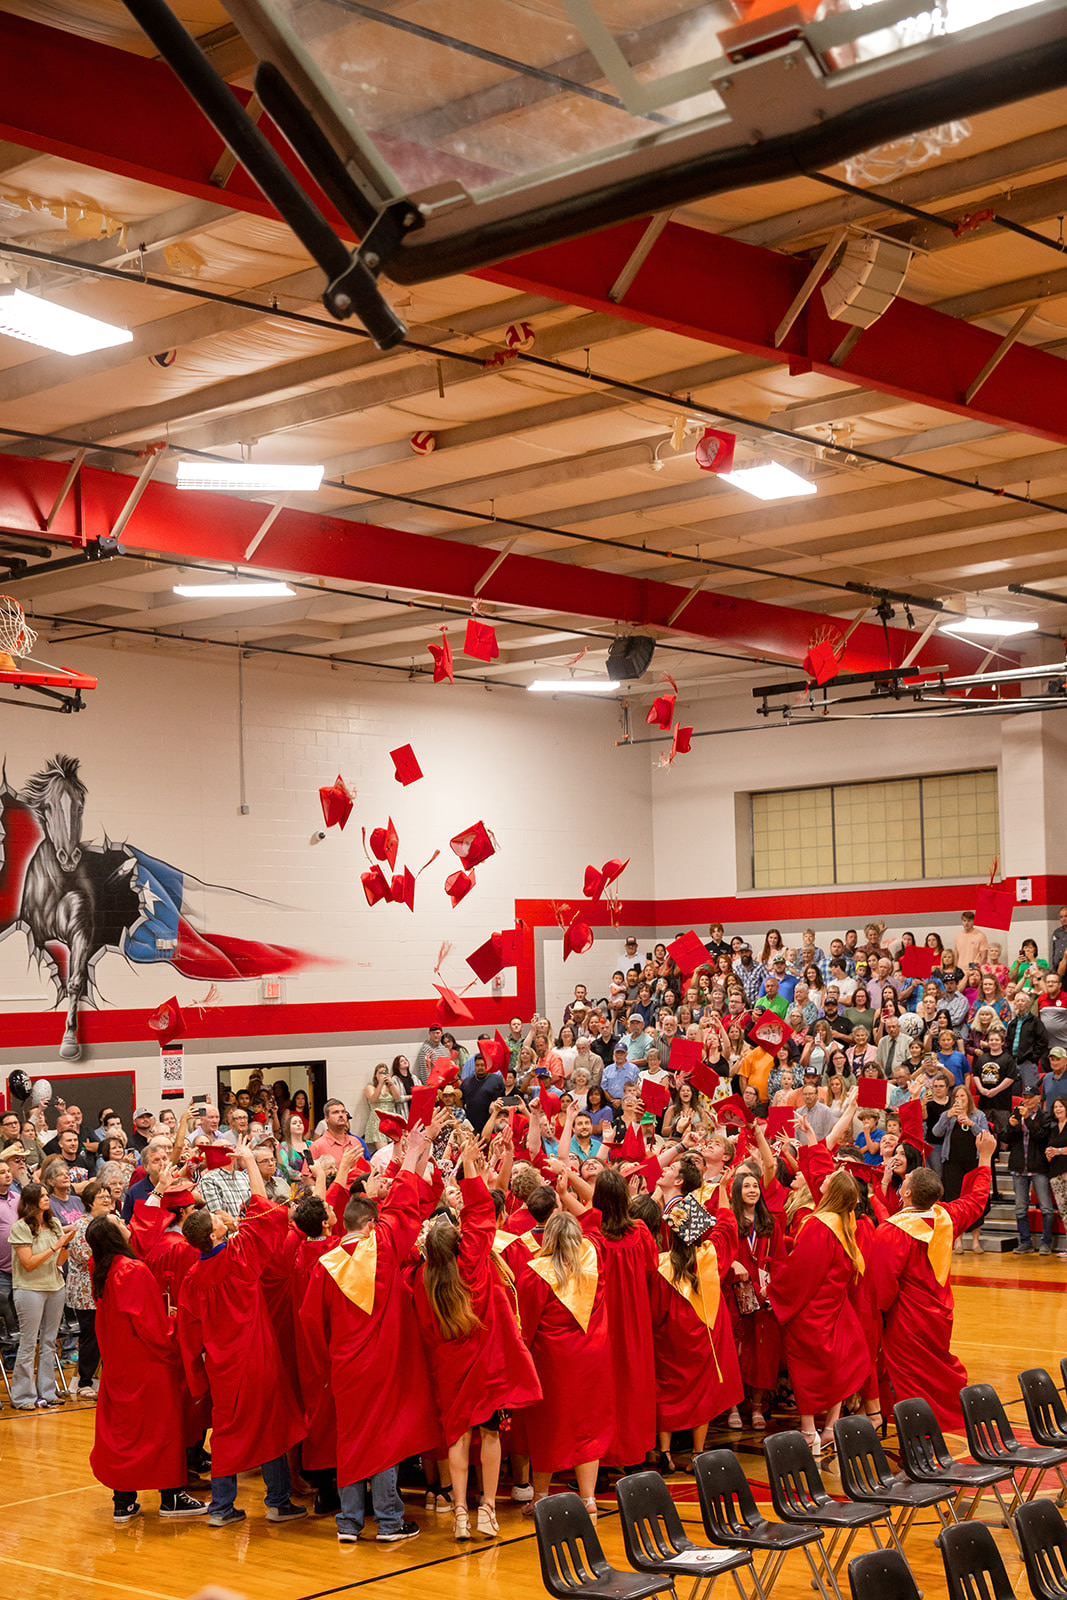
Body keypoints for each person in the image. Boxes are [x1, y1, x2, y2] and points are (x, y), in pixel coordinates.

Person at [300, 1123, 438, 1546]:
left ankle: (349, 1523)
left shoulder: (326, 1262)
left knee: (351, 1438)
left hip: (345, 1364)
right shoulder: (386, 1244)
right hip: (386, 1361)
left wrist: (326, 1360)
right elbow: (405, 1206)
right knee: (386, 1438)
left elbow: (309, 1320)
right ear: (374, 1222)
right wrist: (412, 1152)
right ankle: (391, 1522)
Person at [414, 1137, 541, 1539]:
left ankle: (460, 1514)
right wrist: (472, 1168)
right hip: (485, 1367)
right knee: (489, 1435)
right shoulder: (472, 1266)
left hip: (451, 1368)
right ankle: (487, 1507)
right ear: (459, 1245)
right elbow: (483, 1214)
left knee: (456, 1438)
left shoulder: (423, 1280)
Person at [178, 1143, 307, 1527]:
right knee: (274, 1424)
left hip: (221, 1365)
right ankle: (277, 1501)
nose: (220, 1216)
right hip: (256, 1355)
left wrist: (197, 1375)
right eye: (216, 1218)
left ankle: (222, 1507)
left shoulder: (192, 1279)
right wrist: (250, 1161)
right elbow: (266, 1212)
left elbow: (188, 1332)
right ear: (216, 1234)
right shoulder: (239, 1257)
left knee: (228, 1432)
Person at [867, 1129, 996, 1433]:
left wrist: (879, 1315)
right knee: (937, 1371)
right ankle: (944, 1422)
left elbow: (882, 1287)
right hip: (940, 1314)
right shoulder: (947, 1216)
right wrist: (986, 1158)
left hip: (906, 1319)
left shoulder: (893, 1232)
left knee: (910, 1381)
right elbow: (976, 1200)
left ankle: (919, 1433)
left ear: (907, 1192)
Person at [85, 1213, 207, 1523]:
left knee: (125, 1432)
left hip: (117, 1362)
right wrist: (178, 1324)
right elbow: (152, 1325)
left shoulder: (99, 1268)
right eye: (119, 1222)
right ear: (114, 1238)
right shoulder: (131, 1270)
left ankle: (123, 1501)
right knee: (162, 1428)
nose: (126, 1222)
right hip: (147, 1361)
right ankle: (172, 1496)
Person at [516, 1209, 614, 1521]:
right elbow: (597, 1225)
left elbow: (526, 1325)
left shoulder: (535, 1273)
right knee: (588, 1428)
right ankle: (588, 1500)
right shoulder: (594, 1266)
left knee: (547, 1428)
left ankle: (541, 1497)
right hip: (593, 1359)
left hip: (552, 1362)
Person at [769, 1170, 871, 1453]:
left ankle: (808, 1430)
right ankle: (830, 1428)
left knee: (806, 1369)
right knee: (836, 1368)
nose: (821, 1179)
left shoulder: (819, 1224)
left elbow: (803, 1272)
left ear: (833, 1190)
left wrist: (775, 1284)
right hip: (836, 1303)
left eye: (827, 1178)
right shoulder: (844, 1222)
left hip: (813, 1309)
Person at [651, 1181, 742, 1471]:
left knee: (666, 1389)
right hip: (705, 1332)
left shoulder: (661, 1265)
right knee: (702, 1391)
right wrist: (724, 1191)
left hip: (672, 1335)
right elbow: (727, 1228)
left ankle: (664, 1452)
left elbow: (655, 1312)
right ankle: (696, 1453)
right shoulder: (711, 1255)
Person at [8, 1182, 78, 1409]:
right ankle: (23, 1396)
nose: (47, 1199)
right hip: (29, 1289)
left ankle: (47, 1391)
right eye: (42, 1196)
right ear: (30, 1201)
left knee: (49, 1342)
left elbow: (58, 1262)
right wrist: (56, 1245)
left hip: (55, 1286)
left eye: (47, 1195)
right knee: (29, 1343)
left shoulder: (55, 1223)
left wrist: (65, 1246)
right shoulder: (20, 1227)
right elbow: (28, 1263)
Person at [727, 1168, 786, 1430]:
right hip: (733, 1293)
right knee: (734, 1351)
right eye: (746, 1186)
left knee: (762, 1352)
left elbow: (782, 1262)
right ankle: (732, 1406)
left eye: (755, 1186)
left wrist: (772, 1287)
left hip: (762, 1296)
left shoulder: (770, 1224)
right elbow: (714, 1254)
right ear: (737, 1193)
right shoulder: (728, 1222)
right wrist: (731, 1263)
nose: (752, 1190)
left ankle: (757, 1405)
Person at [66, 1179, 115, 1397]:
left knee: (107, 1337)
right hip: (86, 1291)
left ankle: (106, 1380)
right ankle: (84, 1382)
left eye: (108, 1196)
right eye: (101, 1197)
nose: (107, 1199)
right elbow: (86, 1257)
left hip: (106, 1289)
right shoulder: (81, 1227)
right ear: (89, 1202)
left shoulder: (110, 1222)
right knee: (91, 1337)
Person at [934, 1086, 990, 1253]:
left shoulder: (978, 1115)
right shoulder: (947, 1114)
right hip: (952, 1162)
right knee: (953, 1199)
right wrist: (948, 1116)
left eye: (963, 1096)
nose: (959, 1099)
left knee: (974, 1199)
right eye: (956, 1096)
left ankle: (975, 1242)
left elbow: (986, 1134)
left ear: (968, 1098)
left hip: (972, 1161)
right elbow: (936, 1132)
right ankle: (958, 1241)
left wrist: (971, 1124)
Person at [1005, 1092, 1055, 1256]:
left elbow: (1041, 1137)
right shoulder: (1016, 1113)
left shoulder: (1045, 1116)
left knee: (1046, 1208)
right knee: (1020, 1208)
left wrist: (1026, 1119)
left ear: (1037, 1099)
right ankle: (1025, 1242)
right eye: (1024, 1097)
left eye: (1029, 1097)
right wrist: (1011, 1126)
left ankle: (1046, 1243)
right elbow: (1006, 1139)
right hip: (1019, 1167)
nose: (1025, 1100)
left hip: (1039, 1167)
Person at [310, 1099, 367, 1164]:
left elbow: (363, 1170)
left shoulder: (356, 1142)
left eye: (343, 1112)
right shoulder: (317, 1146)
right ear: (326, 1118)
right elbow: (307, 1173)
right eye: (335, 1112)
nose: (341, 1115)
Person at [1045, 1098, 1067, 1253]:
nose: (1058, 1109)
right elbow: (1049, 1152)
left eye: (1061, 1106)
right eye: (1055, 1107)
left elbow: (1059, 1150)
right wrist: (1049, 1153)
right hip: (1055, 1172)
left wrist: (1058, 1151)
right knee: (1064, 1211)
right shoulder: (1052, 1129)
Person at [363, 1063, 401, 1151]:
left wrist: (391, 1084)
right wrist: (380, 1084)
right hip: (378, 1121)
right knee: (383, 1151)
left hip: (391, 1120)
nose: (383, 1075)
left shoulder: (391, 1087)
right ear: (376, 1075)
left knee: (395, 1149)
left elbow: (397, 1097)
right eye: (380, 1073)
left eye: (385, 1072)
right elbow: (373, 1099)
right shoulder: (370, 1087)